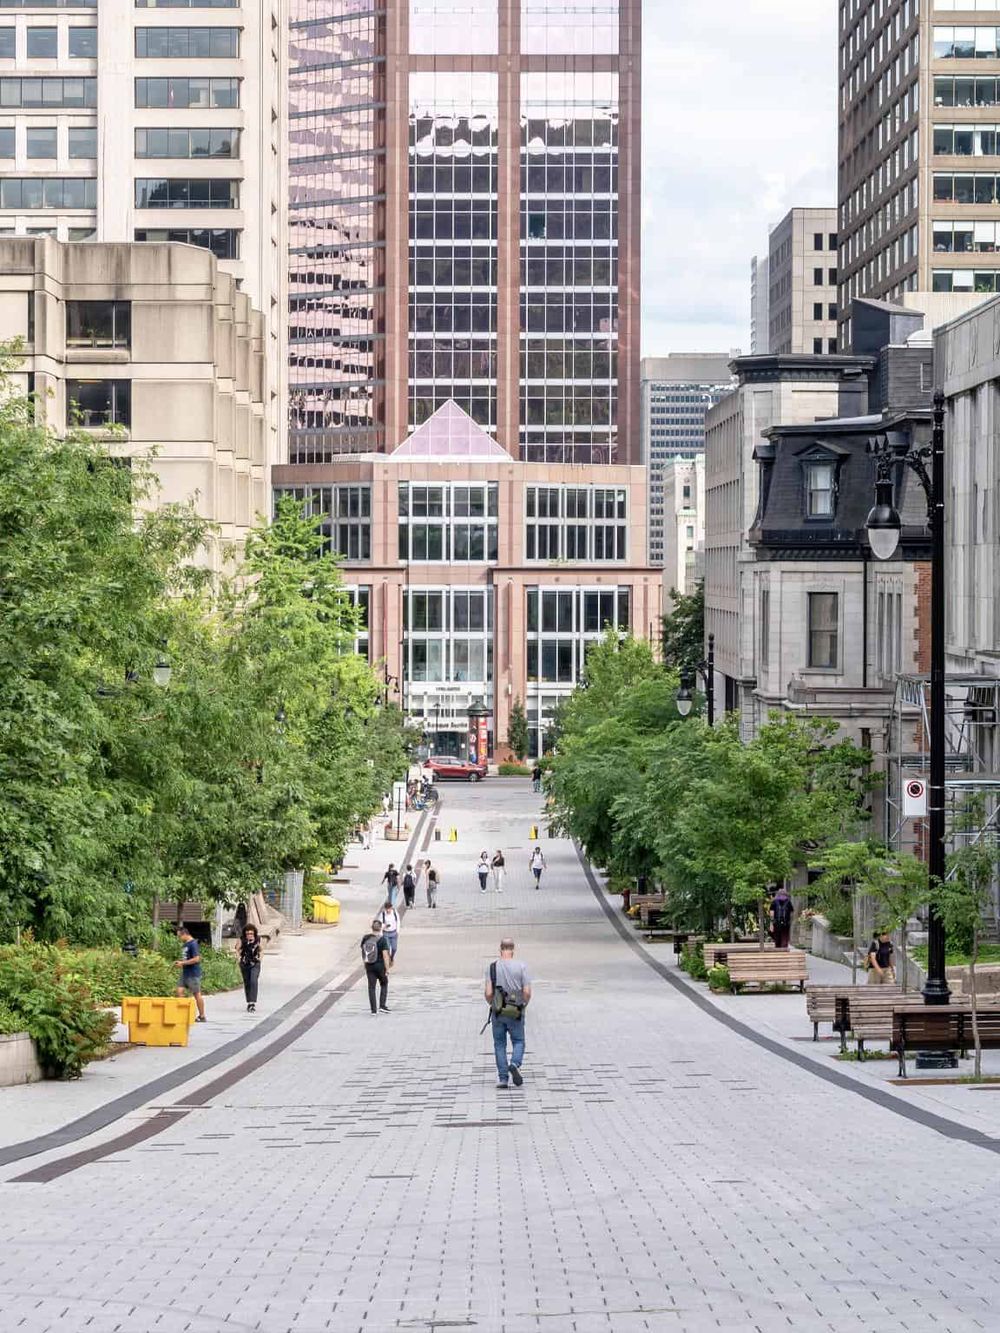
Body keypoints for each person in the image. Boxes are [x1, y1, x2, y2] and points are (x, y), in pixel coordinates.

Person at [484, 937, 532, 1089]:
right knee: (518, 1041)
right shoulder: (521, 966)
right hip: (516, 1010)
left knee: (499, 1044)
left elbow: (488, 993)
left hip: (498, 1012)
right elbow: (527, 992)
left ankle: (503, 1078)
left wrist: (493, 1004)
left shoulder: (492, 967)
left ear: (500, 949)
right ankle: (515, 1063)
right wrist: (523, 1004)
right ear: (513, 950)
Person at [174, 924, 207, 1022]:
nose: (179, 938)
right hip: (185, 973)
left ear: (185, 934)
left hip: (193, 973)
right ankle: (184, 1013)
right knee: (179, 991)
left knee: (197, 994)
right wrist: (180, 963)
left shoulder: (193, 944)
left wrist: (183, 963)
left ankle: (202, 1015)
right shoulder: (185, 944)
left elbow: (197, 959)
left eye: (179, 936)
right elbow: (187, 958)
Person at [361, 918, 392, 1014]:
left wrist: (365, 964)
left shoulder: (365, 938)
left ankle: (373, 1010)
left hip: (369, 965)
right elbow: (385, 955)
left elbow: (363, 952)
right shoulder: (382, 940)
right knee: (384, 983)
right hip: (380, 966)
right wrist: (387, 968)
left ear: (372, 928)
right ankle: (382, 1006)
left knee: (371, 987)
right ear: (380, 928)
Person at [237, 923, 261, 1013]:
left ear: (254, 933)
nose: (249, 935)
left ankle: (252, 1003)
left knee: (253, 981)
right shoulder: (242, 940)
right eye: (247, 934)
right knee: (247, 982)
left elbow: (261, 950)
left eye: (251, 933)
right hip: (245, 963)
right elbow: (237, 949)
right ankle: (249, 1003)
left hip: (255, 963)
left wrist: (260, 958)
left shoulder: (258, 940)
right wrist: (239, 958)